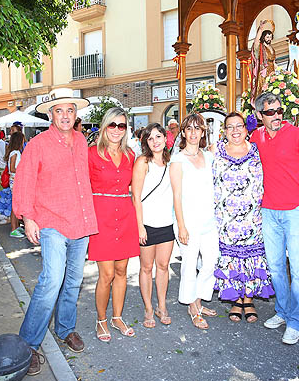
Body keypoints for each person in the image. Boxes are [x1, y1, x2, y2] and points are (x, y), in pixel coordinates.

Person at [12, 88, 97, 376]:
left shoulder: (83, 141)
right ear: (50, 114)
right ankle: (28, 344)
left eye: (70, 110)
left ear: (76, 114)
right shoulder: (37, 144)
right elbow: (23, 181)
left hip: (80, 222)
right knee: (51, 281)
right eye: (59, 110)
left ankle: (65, 329)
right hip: (50, 223)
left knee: (73, 282)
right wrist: (28, 218)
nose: (65, 115)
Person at [250, 92, 299, 345]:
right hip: (268, 212)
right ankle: (282, 311)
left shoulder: (298, 135)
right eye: (270, 113)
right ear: (260, 116)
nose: (277, 116)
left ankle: (295, 321)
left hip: (297, 211)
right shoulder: (255, 137)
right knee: (276, 267)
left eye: (279, 111)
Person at [212, 112, 274, 323]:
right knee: (232, 259)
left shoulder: (258, 150)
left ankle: (248, 299)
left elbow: (279, 168)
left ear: (247, 129)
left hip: (252, 218)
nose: (235, 130)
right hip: (226, 220)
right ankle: (236, 300)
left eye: (239, 126)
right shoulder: (215, 151)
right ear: (225, 131)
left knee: (250, 257)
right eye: (230, 127)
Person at [88, 107, 139, 341]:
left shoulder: (131, 155)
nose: (117, 130)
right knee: (106, 274)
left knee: (122, 271)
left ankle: (117, 317)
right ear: (104, 126)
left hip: (125, 216)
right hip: (102, 218)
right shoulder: (90, 154)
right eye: (112, 125)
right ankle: (101, 319)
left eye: (122, 126)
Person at [170, 113, 218, 329]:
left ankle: (199, 298)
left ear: (203, 132)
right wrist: (181, 225)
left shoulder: (209, 157)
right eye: (188, 128)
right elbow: (176, 195)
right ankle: (193, 305)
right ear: (183, 132)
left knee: (210, 261)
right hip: (187, 221)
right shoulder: (178, 160)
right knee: (190, 265)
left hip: (209, 219)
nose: (193, 133)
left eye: (197, 128)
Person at [132, 123, 175, 328]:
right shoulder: (142, 162)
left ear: (166, 138)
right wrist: (140, 226)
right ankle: (149, 308)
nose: (155, 141)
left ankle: (162, 306)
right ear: (146, 142)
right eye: (151, 138)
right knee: (147, 267)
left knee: (163, 267)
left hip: (167, 223)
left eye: (158, 136)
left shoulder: (171, 163)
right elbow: (136, 197)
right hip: (147, 224)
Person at [0, 131, 26, 238]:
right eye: (23, 140)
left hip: (14, 180)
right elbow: (12, 169)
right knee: (15, 206)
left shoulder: (13, 152)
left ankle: (16, 227)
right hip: (16, 180)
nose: (24, 141)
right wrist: (23, 170)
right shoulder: (16, 153)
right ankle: (14, 229)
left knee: (16, 205)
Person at [250, 19, 276, 103]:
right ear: (263, 37)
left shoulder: (271, 48)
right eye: (267, 37)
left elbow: (273, 61)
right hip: (263, 72)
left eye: (270, 37)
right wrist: (260, 30)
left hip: (272, 71)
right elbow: (256, 42)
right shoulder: (261, 47)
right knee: (263, 90)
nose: (269, 39)